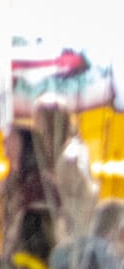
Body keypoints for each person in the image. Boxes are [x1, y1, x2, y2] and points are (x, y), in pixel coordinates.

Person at [34, 95, 98, 242]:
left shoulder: (71, 155)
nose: (36, 128)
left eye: (39, 121)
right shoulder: (62, 153)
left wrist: (53, 182)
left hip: (75, 234)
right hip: (66, 232)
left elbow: (82, 195)